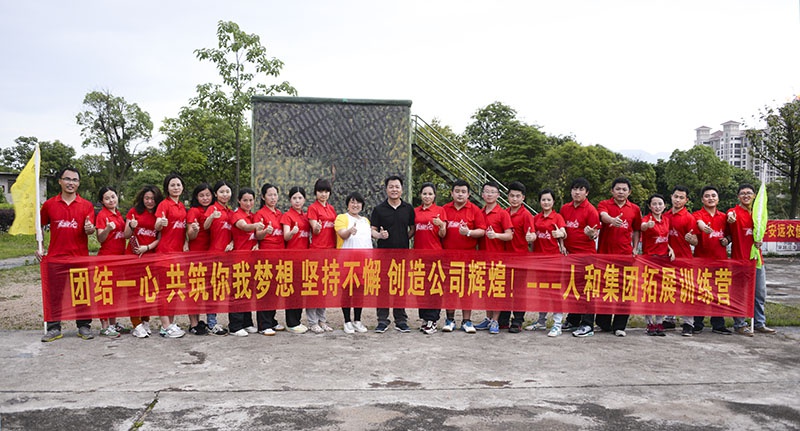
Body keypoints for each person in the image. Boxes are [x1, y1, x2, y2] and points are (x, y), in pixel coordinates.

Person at [39, 167, 96, 342]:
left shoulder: (86, 205)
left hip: (79, 258)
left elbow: (90, 229)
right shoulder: (49, 204)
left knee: (82, 293)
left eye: (75, 180)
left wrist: (90, 229)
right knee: (55, 294)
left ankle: (84, 326)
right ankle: (54, 328)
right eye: (67, 179)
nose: (71, 183)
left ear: (78, 183)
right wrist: (40, 246)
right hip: (56, 257)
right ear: (60, 181)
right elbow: (39, 226)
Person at [595, 177, 641, 337]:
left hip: (625, 256)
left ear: (629, 192)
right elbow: (602, 215)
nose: (621, 192)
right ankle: (603, 323)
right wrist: (612, 220)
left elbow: (637, 230)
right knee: (605, 288)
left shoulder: (635, 209)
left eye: (624, 189)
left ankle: (620, 325)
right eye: (618, 189)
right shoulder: (604, 204)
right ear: (612, 191)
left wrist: (635, 247)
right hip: (605, 255)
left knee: (624, 290)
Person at [727, 184, 775, 335]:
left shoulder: (758, 214)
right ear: (738, 196)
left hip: (756, 259)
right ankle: (740, 324)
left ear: (754, 196)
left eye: (749, 193)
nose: (746, 195)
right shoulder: (734, 212)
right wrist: (730, 217)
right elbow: (729, 217)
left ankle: (759, 322)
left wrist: (760, 241)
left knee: (759, 293)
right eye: (742, 193)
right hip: (740, 260)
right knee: (740, 293)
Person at [370, 175, 415, 333]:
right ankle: (382, 320)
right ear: (386, 189)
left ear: (402, 189)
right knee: (383, 287)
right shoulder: (379, 209)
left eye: (397, 187)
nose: (394, 189)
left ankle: (400, 320)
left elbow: (412, 229)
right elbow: (372, 230)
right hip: (383, 255)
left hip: (402, 254)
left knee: (400, 287)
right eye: (391, 187)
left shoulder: (408, 208)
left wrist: (403, 239)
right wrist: (380, 236)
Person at [440, 179, 486, 333]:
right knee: (450, 289)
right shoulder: (444, 209)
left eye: (463, 192)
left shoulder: (475, 210)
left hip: (468, 257)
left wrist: (469, 232)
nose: (460, 194)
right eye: (457, 191)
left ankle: (467, 321)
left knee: (467, 290)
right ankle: (450, 320)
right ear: (452, 193)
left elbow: (482, 230)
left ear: (468, 194)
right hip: (448, 257)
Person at [559, 178, 601, 338]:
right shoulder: (565, 208)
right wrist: (561, 245)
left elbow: (594, 234)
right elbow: (561, 229)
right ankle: (573, 319)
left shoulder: (591, 210)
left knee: (587, 289)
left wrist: (591, 234)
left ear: (587, 193)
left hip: (586, 257)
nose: (577, 192)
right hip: (569, 256)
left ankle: (588, 324)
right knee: (573, 288)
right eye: (575, 189)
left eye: (581, 189)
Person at [692, 185, 735, 335]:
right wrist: (703, 227)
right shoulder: (697, 215)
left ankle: (718, 324)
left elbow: (730, 235)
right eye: (707, 196)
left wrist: (727, 240)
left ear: (718, 199)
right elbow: (699, 223)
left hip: (720, 261)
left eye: (713, 196)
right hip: (701, 261)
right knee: (700, 292)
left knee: (719, 292)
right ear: (702, 199)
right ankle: (697, 323)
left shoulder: (724, 217)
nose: (710, 198)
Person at [473, 182, 513, 335]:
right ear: (482, 194)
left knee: (496, 290)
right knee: (486, 290)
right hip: (482, 258)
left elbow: (509, 235)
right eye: (487, 192)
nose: (489, 194)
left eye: (492, 192)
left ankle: (496, 320)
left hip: (498, 258)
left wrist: (496, 235)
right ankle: (488, 318)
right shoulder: (479, 212)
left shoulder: (502, 213)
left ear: (498, 195)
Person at [124, 185, 163, 338]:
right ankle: (136, 324)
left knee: (149, 290)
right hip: (133, 258)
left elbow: (159, 238)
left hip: (150, 257)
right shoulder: (134, 212)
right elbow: (126, 235)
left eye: (153, 199)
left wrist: (146, 248)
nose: (149, 201)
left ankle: (146, 320)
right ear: (142, 198)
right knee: (133, 291)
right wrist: (131, 226)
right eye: (147, 198)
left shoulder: (160, 214)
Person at [335, 192, 377, 334]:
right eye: (352, 202)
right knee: (347, 290)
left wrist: (381, 235)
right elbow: (342, 234)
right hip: (347, 261)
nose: (355, 205)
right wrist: (349, 231)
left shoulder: (365, 221)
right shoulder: (342, 218)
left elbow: (372, 234)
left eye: (358, 202)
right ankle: (347, 321)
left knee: (360, 290)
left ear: (362, 205)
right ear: (348, 204)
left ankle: (357, 320)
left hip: (363, 261)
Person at [528, 189, 567, 337]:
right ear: (540, 202)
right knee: (542, 291)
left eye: (549, 200)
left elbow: (563, 232)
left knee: (555, 292)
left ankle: (557, 324)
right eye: (543, 200)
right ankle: (541, 321)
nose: (546, 202)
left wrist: (560, 234)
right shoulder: (535, 218)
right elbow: (532, 235)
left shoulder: (557, 217)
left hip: (554, 261)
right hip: (539, 261)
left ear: (553, 202)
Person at [153, 173, 188, 338]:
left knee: (174, 290)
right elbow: (157, 224)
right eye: (172, 185)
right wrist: (161, 223)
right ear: (167, 188)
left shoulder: (182, 206)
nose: (176, 188)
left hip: (178, 255)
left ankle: (171, 323)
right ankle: (165, 325)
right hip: (164, 254)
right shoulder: (164, 205)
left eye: (178, 185)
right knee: (164, 291)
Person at [498, 181, 535, 333]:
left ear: (523, 198)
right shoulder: (504, 213)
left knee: (519, 291)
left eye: (517, 196)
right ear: (507, 196)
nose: (514, 199)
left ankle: (518, 321)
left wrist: (531, 237)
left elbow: (532, 234)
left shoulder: (526, 215)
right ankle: (503, 319)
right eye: (512, 196)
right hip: (505, 258)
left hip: (521, 259)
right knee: (505, 289)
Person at [227, 188, 265, 337]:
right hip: (239, 259)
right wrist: (256, 226)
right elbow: (244, 227)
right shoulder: (236, 215)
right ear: (239, 201)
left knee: (247, 290)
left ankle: (247, 322)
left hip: (251, 259)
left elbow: (256, 235)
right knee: (238, 291)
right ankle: (235, 326)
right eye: (245, 200)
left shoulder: (253, 216)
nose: (248, 203)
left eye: (251, 200)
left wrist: (258, 243)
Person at [662, 185, 699, 336]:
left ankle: (688, 323)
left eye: (681, 198)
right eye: (676, 196)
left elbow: (696, 241)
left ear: (686, 200)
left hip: (684, 260)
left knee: (686, 292)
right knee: (669, 290)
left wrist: (691, 239)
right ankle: (669, 319)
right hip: (667, 260)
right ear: (671, 197)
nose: (678, 200)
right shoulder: (664, 216)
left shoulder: (689, 218)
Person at [203, 181, 238, 335]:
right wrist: (212, 216)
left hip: (229, 256)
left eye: (227, 191)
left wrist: (232, 243)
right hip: (214, 255)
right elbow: (205, 226)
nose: (225, 194)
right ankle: (212, 323)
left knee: (230, 289)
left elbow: (235, 233)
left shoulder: (231, 212)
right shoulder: (213, 208)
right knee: (213, 290)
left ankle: (234, 323)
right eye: (222, 192)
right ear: (216, 194)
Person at [414, 182, 447, 335]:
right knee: (420, 287)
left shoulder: (440, 211)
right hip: (418, 256)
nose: (427, 196)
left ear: (434, 196)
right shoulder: (415, 211)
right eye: (424, 194)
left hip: (435, 255)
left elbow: (443, 235)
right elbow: (412, 231)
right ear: (420, 195)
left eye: (430, 194)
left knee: (434, 287)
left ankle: (432, 320)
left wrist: (441, 225)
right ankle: (424, 318)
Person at [253, 183, 286, 335]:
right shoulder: (260, 214)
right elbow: (257, 235)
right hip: (265, 258)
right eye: (270, 195)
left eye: (275, 195)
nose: (273, 198)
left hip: (279, 257)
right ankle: (263, 324)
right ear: (263, 197)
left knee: (274, 290)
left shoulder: (279, 214)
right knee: (264, 289)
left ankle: (271, 320)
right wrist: (265, 231)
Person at [640, 193, 674, 336]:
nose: (657, 206)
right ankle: (649, 323)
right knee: (649, 292)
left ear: (665, 206)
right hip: (649, 260)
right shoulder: (647, 219)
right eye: (654, 204)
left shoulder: (666, 220)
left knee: (661, 292)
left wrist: (670, 249)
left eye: (660, 204)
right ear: (649, 206)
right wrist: (647, 225)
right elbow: (642, 227)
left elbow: (666, 238)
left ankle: (659, 322)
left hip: (663, 261)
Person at [95, 186, 126, 338]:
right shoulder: (102, 215)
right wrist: (107, 229)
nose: (111, 200)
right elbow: (100, 238)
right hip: (106, 260)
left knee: (116, 293)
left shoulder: (118, 214)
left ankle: (113, 323)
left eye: (113, 196)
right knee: (106, 292)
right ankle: (105, 326)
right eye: (107, 198)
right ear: (102, 201)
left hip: (119, 259)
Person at [307, 179, 336, 333]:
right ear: (315, 192)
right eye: (320, 191)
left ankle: (322, 319)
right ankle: (312, 321)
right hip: (317, 251)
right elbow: (314, 228)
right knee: (314, 287)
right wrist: (317, 228)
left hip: (329, 252)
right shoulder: (312, 208)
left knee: (324, 287)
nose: (323, 194)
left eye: (326, 191)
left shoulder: (331, 209)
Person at [185, 183, 214, 336]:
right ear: (196, 197)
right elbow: (190, 235)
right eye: (201, 195)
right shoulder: (194, 211)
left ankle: (203, 321)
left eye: (208, 195)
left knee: (207, 289)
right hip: (196, 256)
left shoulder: (214, 210)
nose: (205, 198)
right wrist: (195, 230)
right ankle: (194, 323)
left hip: (211, 254)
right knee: (194, 289)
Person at [281, 186, 310, 334]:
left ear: (304, 199)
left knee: (300, 291)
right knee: (292, 291)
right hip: (292, 259)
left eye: (300, 198)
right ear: (290, 200)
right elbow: (286, 236)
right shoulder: (287, 216)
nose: (297, 201)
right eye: (294, 198)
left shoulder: (306, 216)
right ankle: (291, 322)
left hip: (304, 259)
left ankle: (297, 320)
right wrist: (292, 232)